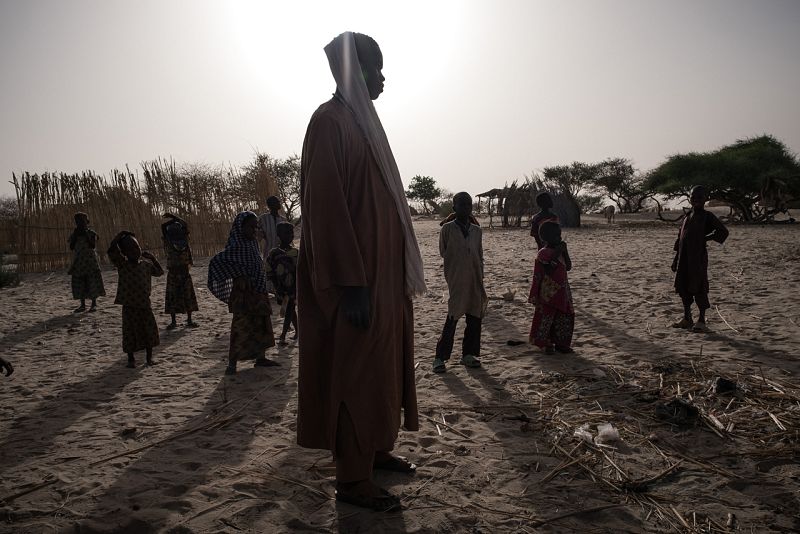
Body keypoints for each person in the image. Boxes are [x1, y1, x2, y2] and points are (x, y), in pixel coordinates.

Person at [296, 32, 426, 512]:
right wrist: (352, 285)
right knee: (354, 375)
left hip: (384, 284)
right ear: (355, 70)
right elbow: (326, 210)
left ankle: (375, 451)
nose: (383, 78)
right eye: (376, 68)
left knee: (383, 370)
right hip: (356, 285)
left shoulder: (364, 125)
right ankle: (352, 479)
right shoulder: (329, 122)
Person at [208, 211, 277, 375]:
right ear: (240, 228)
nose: (254, 230)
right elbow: (216, 263)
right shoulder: (235, 247)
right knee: (241, 327)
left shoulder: (253, 245)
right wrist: (239, 275)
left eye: (256, 227)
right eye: (251, 227)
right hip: (244, 295)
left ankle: (260, 358)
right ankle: (232, 364)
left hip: (259, 292)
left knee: (261, 324)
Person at [433, 192, 487, 373]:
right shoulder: (447, 229)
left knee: (474, 316)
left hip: (475, 278)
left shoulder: (477, 231)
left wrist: (480, 276)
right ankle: (440, 357)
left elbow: (479, 254)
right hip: (456, 279)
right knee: (453, 316)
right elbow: (443, 251)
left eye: (468, 204)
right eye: (461, 204)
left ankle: (468, 355)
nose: (465, 208)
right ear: (454, 207)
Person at [671, 185, 729, 333]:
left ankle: (701, 320)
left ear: (705, 199)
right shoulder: (687, 217)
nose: (696, 200)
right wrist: (676, 259)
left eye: (699, 197)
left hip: (698, 259)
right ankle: (687, 318)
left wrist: (705, 238)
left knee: (699, 287)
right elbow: (680, 239)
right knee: (683, 287)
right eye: (693, 197)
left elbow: (723, 231)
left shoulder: (707, 216)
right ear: (690, 199)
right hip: (683, 258)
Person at [108, 231, 164, 368]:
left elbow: (160, 272)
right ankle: (131, 359)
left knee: (149, 331)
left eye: (137, 247)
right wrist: (120, 235)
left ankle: (149, 358)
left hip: (144, 304)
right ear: (124, 253)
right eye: (131, 249)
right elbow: (112, 249)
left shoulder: (146, 265)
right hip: (129, 305)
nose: (135, 251)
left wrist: (153, 259)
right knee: (130, 332)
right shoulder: (122, 264)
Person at [528, 221, 574, 353]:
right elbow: (548, 270)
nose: (559, 238)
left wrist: (565, 252)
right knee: (546, 318)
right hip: (548, 292)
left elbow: (568, 266)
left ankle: (561, 344)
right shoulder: (543, 253)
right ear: (546, 238)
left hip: (562, 291)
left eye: (560, 235)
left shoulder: (560, 251)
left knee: (564, 317)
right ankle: (545, 344)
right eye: (556, 236)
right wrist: (557, 252)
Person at [161, 213, 199, 329]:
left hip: (178, 274)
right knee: (183, 297)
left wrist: (172, 218)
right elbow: (184, 225)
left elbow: (163, 227)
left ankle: (179, 321)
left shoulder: (171, 242)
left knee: (177, 297)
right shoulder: (179, 242)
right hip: (181, 274)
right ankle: (184, 320)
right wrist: (174, 218)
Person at [265, 221, 299, 344]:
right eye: (286, 233)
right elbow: (269, 270)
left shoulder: (296, 252)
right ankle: (298, 331)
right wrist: (275, 286)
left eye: (291, 233)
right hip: (280, 287)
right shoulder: (274, 253)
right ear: (279, 235)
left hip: (293, 287)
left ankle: (283, 335)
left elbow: (299, 271)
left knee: (289, 308)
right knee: (290, 308)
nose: (290, 235)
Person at [67, 212, 105, 312]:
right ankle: (82, 305)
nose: (80, 223)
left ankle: (94, 304)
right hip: (79, 261)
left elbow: (92, 245)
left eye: (82, 221)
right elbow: (71, 247)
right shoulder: (74, 234)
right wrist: (75, 236)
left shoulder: (91, 233)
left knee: (92, 281)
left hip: (90, 261)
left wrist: (86, 235)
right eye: (78, 222)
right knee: (80, 283)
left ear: (87, 222)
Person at [257, 196, 286, 265]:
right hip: (268, 254)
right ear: (270, 205)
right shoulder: (263, 219)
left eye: (279, 202)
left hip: (282, 254)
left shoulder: (283, 220)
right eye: (277, 202)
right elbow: (258, 237)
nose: (279, 203)